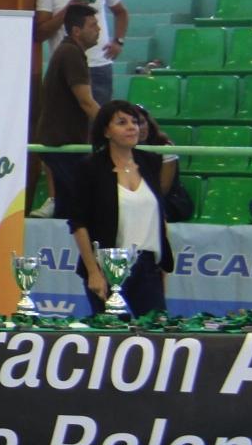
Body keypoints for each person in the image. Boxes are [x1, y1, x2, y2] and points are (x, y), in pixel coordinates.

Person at [68, 99, 173, 317]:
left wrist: (162, 264)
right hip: (108, 265)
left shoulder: (151, 162)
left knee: (155, 329)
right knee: (112, 332)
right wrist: (93, 271)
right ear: (106, 131)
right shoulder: (89, 167)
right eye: (122, 122)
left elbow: (159, 214)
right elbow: (78, 223)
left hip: (148, 265)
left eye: (134, 122)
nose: (132, 127)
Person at [35, 0, 129, 112]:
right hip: (67, 66)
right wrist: (67, 11)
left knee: (100, 119)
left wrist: (119, 41)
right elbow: (40, 33)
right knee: (66, 118)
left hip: (99, 64)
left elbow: (121, 12)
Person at [31, 4, 101, 218]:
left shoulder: (68, 51)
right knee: (77, 207)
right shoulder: (71, 53)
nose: (98, 29)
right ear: (77, 31)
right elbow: (86, 101)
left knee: (69, 205)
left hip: (61, 142)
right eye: (93, 25)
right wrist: (109, 126)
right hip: (62, 144)